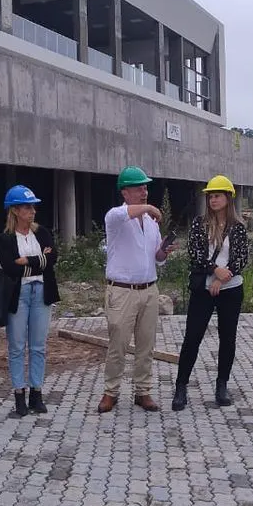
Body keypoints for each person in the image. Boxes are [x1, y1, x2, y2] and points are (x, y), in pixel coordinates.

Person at [96, 166, 179, 413]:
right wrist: (149, 208)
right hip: (122, 291)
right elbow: (122, 214)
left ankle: (143, 391)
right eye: (139, 188)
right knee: (118, 344)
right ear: (125, 192)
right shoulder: (115, 217)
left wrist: (164, 251)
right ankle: (111, 391)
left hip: (149, 289)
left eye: (145, 188)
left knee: (146, 345)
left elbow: (156, 257)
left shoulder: (151, 224)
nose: (144, 192)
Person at [173, 175, 249, 411]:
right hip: (203, 289)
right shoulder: (199, 224)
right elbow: (195, 253)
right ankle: (181, 387)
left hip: (231, 288)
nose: (212, 200)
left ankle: (221, 385)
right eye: (210, 196)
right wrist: (215, 271)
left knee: (227, 338)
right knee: (192, 338)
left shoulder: (238, 227)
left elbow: (242, 257)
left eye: (217, 196)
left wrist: (223, 276)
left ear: (228, 198)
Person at [0, 185, 60, 416]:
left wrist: (27, 261)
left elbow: (52, 259)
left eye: (33, 207)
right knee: (16, 346)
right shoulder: (5, 238)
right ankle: (19, 394)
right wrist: (39, 260)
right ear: (15, 211)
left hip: (42, 291)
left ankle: (36, 393)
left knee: (38, 346)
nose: (32, 211)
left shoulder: (42, 233)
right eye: (27, 207)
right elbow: (10, 266)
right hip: (18, 294)